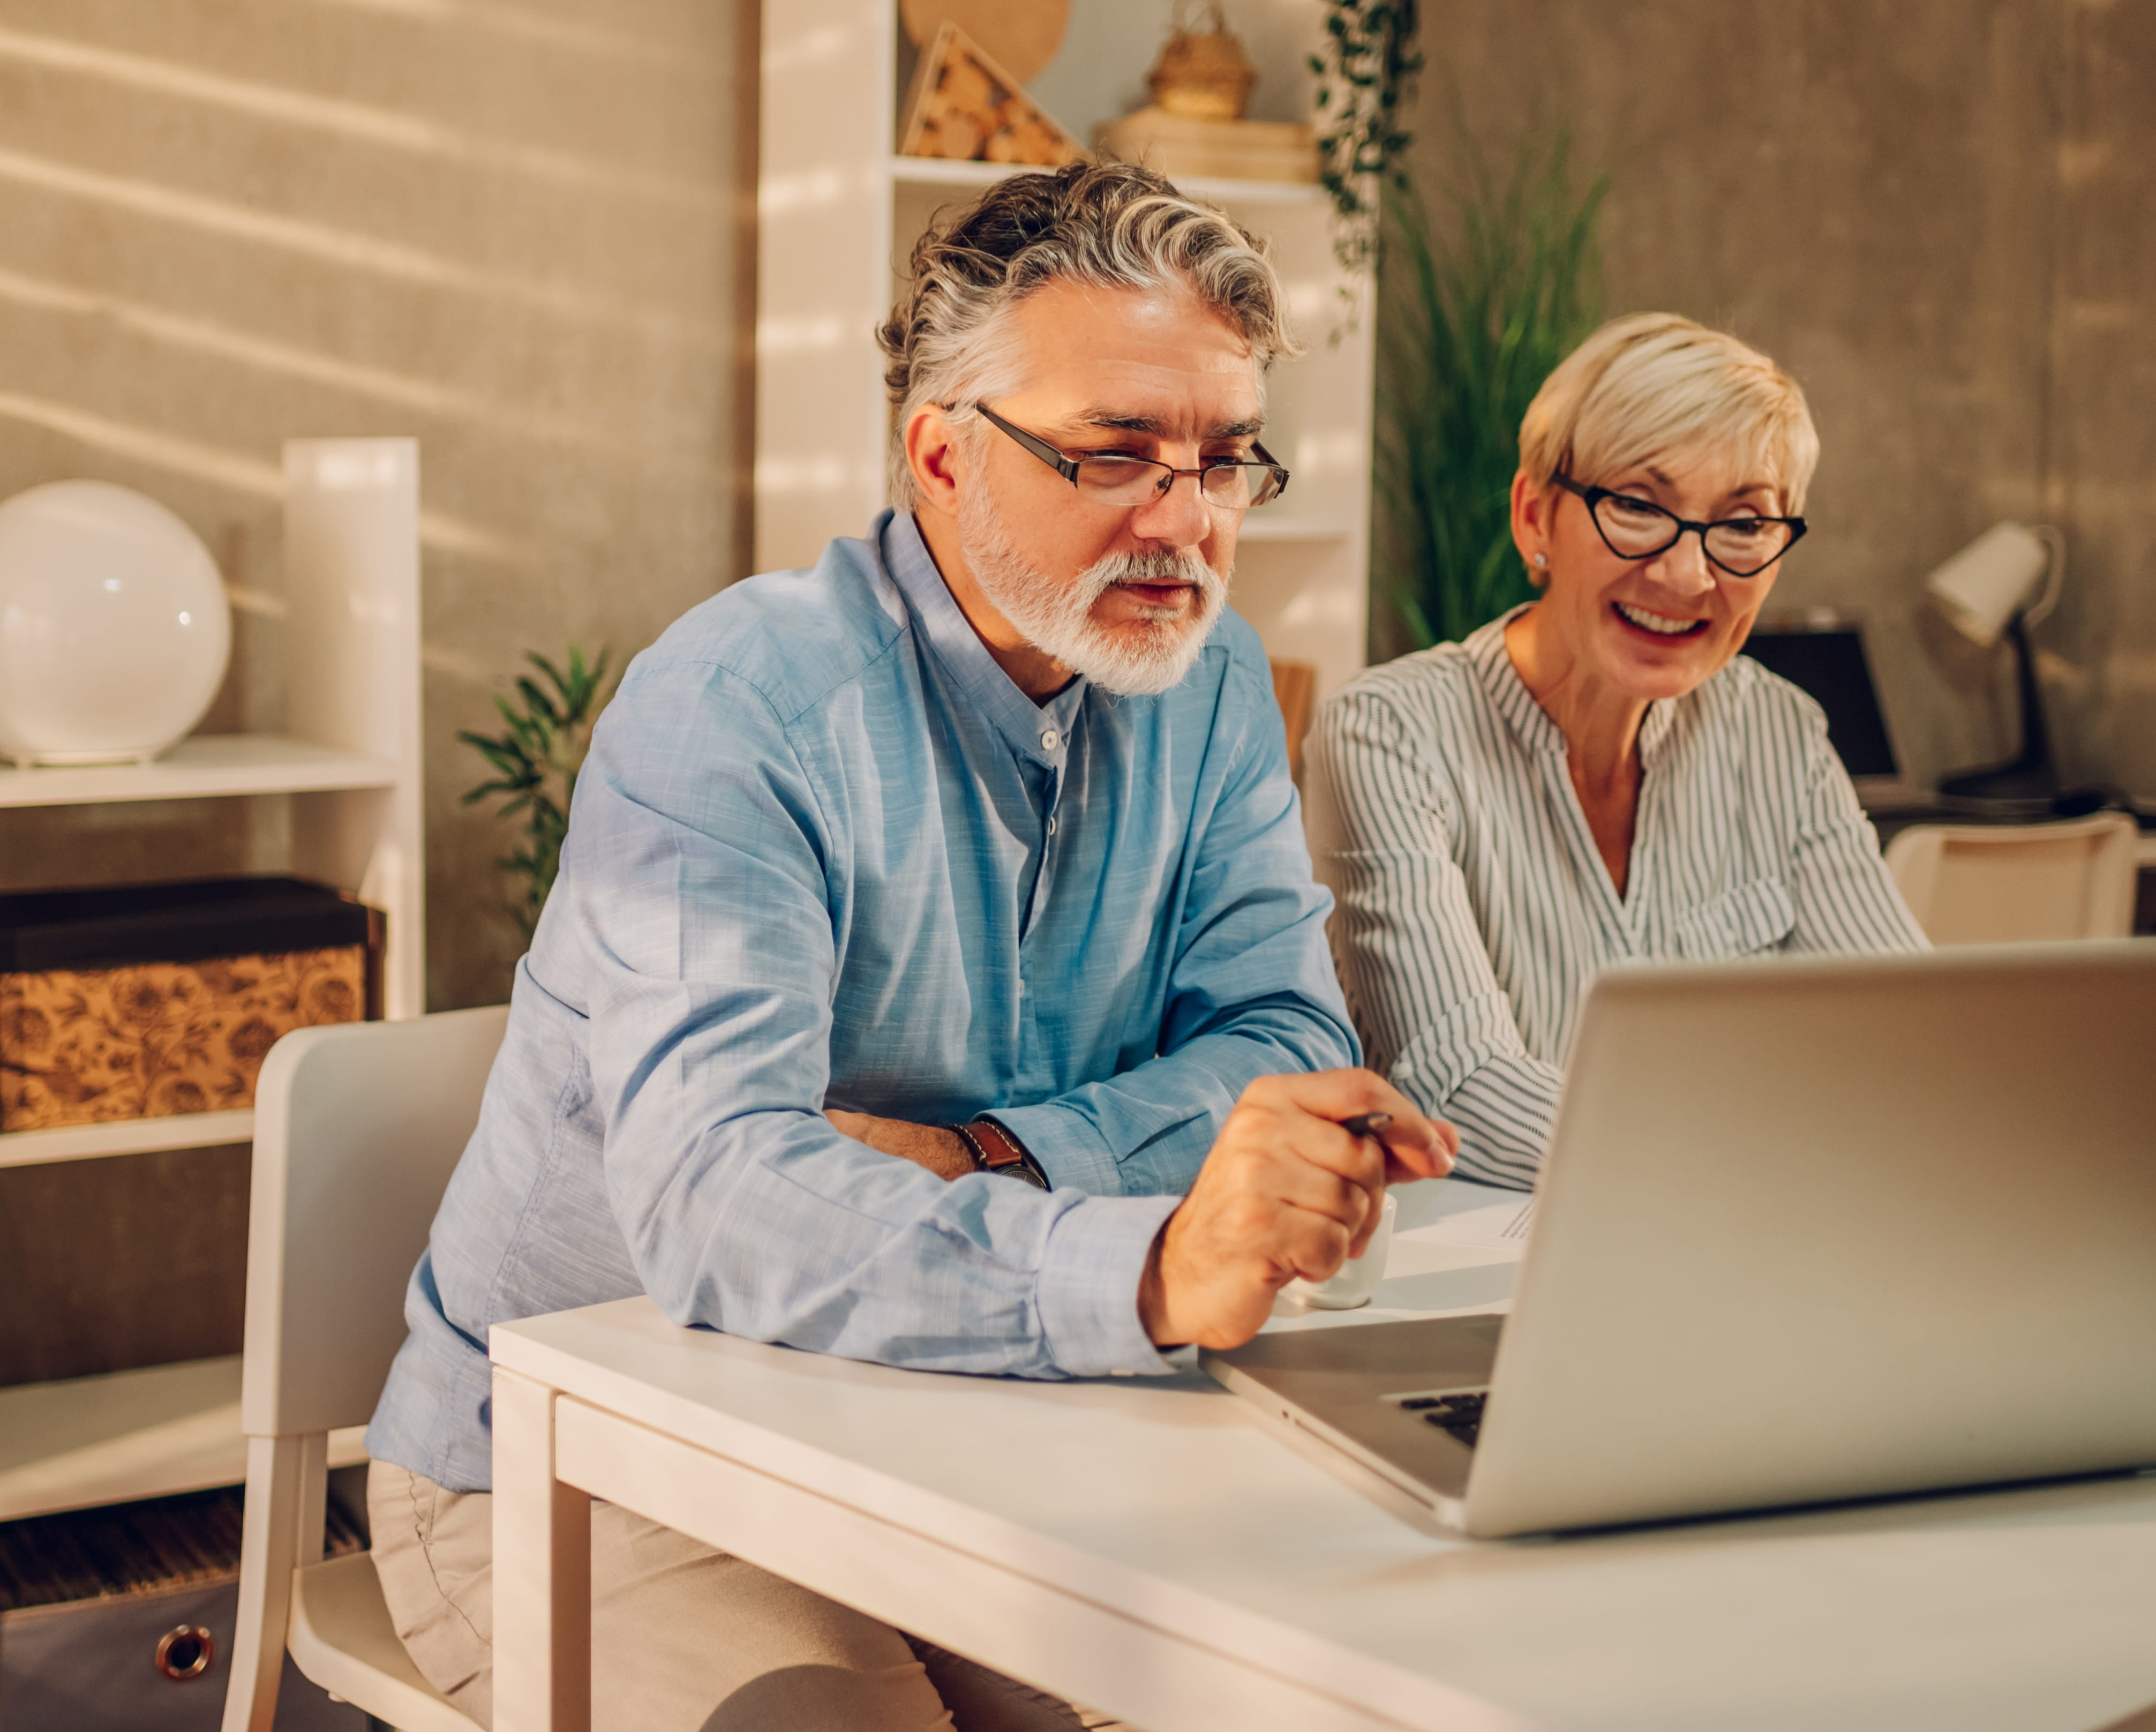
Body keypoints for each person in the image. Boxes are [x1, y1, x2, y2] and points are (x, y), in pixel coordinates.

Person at [361, 161, 1457, 1731]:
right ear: (939, 453)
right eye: (1114, 455)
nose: (1185, 522)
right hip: (587, 1460)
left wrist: (978, 1153)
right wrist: (1147, 1254)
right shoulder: (734, 705)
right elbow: (718, 1201)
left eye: (1223, 461)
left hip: (960, 1424)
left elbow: (1282, 1043)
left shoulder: (1204, 688)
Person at [1310, 311, 1926, 1189]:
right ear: (1535, 517)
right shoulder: (1388, 733)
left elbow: (1914, 1037)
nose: (1687, 576)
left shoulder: (1779, 732)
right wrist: (1766, 1153)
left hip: (1742, 1250)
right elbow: (1461, 1091)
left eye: (1743, 523)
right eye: (1637, 507)